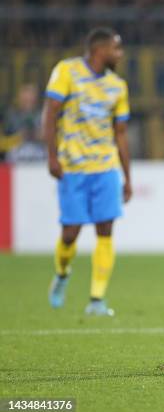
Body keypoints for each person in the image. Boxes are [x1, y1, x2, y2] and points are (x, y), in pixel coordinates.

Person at [43, 27, 131, 316]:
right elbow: (50, 113)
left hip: (105, 168)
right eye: (116, 49)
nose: (119, 54)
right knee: (71, 232)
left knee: (105, 229)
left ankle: (96, 299)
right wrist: (52, 156)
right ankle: (62, 272)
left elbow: (120, 133)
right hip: (73, 167)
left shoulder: (117, 86)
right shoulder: (67, 71)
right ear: (101, 50)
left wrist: (127, 177)